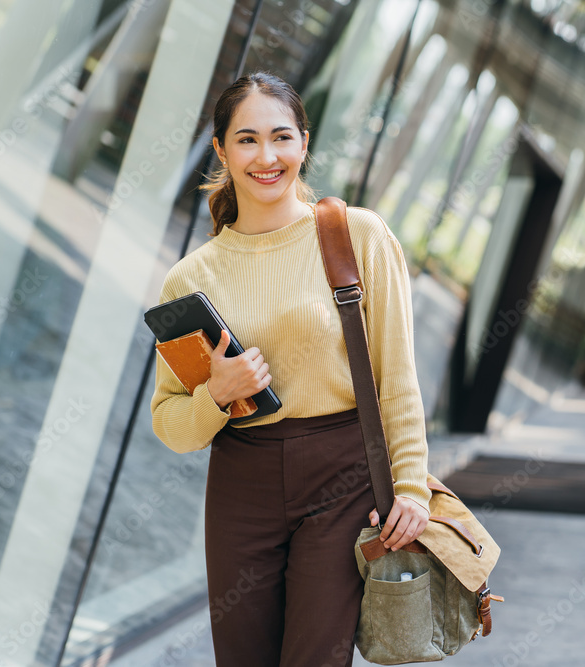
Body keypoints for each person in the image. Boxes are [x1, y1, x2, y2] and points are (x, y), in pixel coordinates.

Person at [148, 71, 431, 667]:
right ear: (221, 150)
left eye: (281, 137)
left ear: (304, 142)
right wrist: (216, 395)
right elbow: (171, 425)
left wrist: (410, 487)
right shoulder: (190, 279)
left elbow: (396, 377)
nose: (267, 156)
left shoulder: (357, 236)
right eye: (247, 140)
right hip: (239, 484)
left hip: (342, 478)